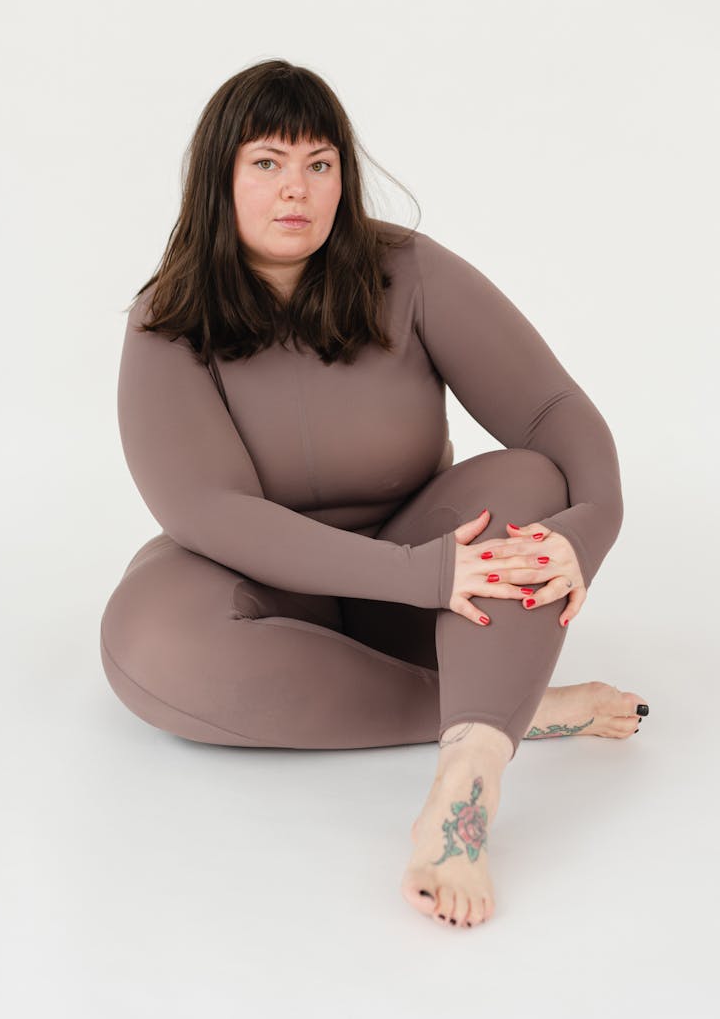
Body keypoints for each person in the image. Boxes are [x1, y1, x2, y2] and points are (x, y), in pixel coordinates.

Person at [99, 58, 648, 931]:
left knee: (532, 483)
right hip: (275, 588)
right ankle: (512, 705)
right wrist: (422, 576)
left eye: (321, 164)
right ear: (218, 180)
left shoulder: (409, 270)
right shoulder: (167, 317)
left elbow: (551, 413)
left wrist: (593, 528)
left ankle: (469, 777)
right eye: (268, 162)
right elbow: (209, 512)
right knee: (145, 637)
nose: (298, 189)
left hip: (424, 571)